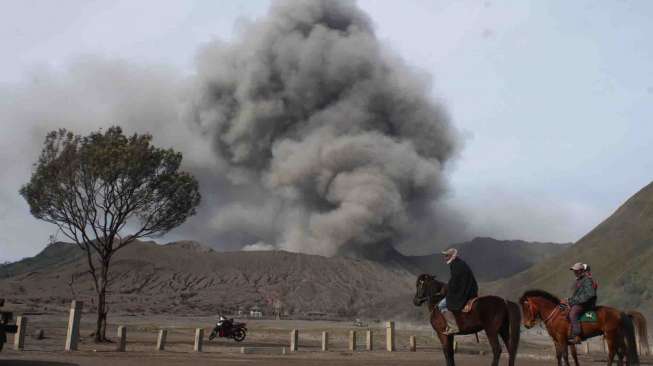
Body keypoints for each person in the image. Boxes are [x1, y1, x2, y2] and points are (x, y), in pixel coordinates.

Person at [438, 248, 479, 334]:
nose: (445, 258)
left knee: (442, 305)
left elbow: (455, 281)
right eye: (445, 256)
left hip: (464, 292)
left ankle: (453, 327)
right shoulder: (459, 263)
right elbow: (455, 280)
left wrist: (448, 289)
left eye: (447, 255)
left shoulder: (456, 265)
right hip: (469, 290)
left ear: (452, 256)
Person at [565, 262, 598, 344]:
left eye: (576, 270)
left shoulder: (587, 280)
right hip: (580, 302)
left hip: (586, 304)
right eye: (574, 270)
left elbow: (590, 294)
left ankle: (577, 335)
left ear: (581, 270)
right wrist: (569, 300)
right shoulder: (580, 280)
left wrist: (572, 301)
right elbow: (579, 295)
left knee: (573, 313)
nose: (574, 272)